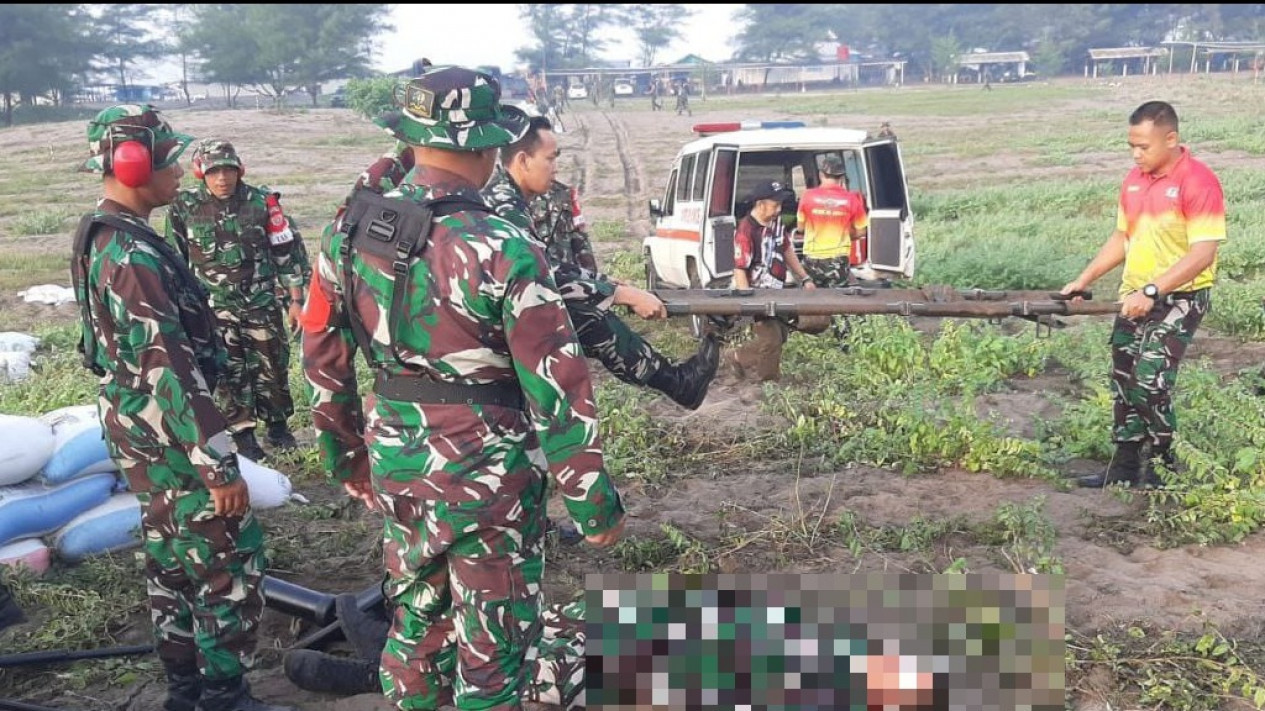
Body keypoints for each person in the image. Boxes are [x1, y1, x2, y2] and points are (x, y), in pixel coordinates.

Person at [300, 65, 627, 710]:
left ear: (412, 141)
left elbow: (322, 355)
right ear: (487, 148)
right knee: (494, 648)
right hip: (489, 478)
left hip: (397, 459)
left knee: (415, 625)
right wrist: (591, 501)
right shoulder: (504, 244)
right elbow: (558, 385)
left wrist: (348, 458)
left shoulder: (349, 232)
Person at [70, 104, 293, 711]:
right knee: (224, 562)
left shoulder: (108, 234)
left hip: (143, 432)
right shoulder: (132, 257)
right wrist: (219, 466)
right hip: (173, 435)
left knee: (172, 561)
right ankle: (224, 695)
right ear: (133, 165)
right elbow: (169, 369)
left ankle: (184, 691)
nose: (180, 173)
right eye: (170, 161)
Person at [483, 115, 721, 410]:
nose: (556, 168)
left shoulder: (510, 197)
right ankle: (675, 381)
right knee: (588, 320)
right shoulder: (505, 206)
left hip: (501, 310)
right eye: (550, 159)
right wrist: (623, 295)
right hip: (490, 322)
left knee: (590, 317)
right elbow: (540, 273)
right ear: (522, 160)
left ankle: (676, 381)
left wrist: (609, 286)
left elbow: (549, 261)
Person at [1062, 100, 1227, 489]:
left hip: (1180, 297)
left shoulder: (1198, 182)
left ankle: (1165, 464)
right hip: (1134, 296)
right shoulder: (1133, 181)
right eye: (1131, 146)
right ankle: (1122, 468)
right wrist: (1083, 279)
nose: (1136, 155)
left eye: (1144, 147)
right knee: (1123, 381)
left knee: (1149, 381)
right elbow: (1122, 237)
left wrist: (1154, 291)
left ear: (1171, 139)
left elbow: (1204, 252)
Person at [166, 140, 308, 461]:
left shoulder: (262, 203)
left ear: (239, 169)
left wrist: (296, 301)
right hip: (215, 310)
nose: (222, 179)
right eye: (214, 171)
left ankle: (278, 426)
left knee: (272, 366)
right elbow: (176, 260)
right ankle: (243, 434)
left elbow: (287, 254)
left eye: (228, 170)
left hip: (261, 305)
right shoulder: (184, 207)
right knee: (229, 372)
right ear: (201, 172)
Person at [724, 180, 828, 382]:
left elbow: (786, 249)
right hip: (757, 293)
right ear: (761, 204)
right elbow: (740, 268)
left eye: (780, 205)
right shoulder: (746, 230)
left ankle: (736, 356)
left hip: (778, 291)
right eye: (775, 205)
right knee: (771, 339)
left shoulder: (777, 224)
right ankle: (768, 383)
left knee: (782, 334)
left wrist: (804, 277)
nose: (778, 210)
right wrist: (748, 302)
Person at [796, 154, 868, 288]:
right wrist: (844, 234)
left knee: (811, 301)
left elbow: (800, 228)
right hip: (838, 260)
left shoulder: (807, 196)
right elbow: (861, 231)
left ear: (820, 174)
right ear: (841, 177)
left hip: (812, 259)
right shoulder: (852, 199)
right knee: (836, 301)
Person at [531, 178, 599, 273]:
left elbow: (579, 240)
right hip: (530, 279)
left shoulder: (564, 193)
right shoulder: (510, 199)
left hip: (564, 277)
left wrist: (594, 278)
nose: (555, 167)